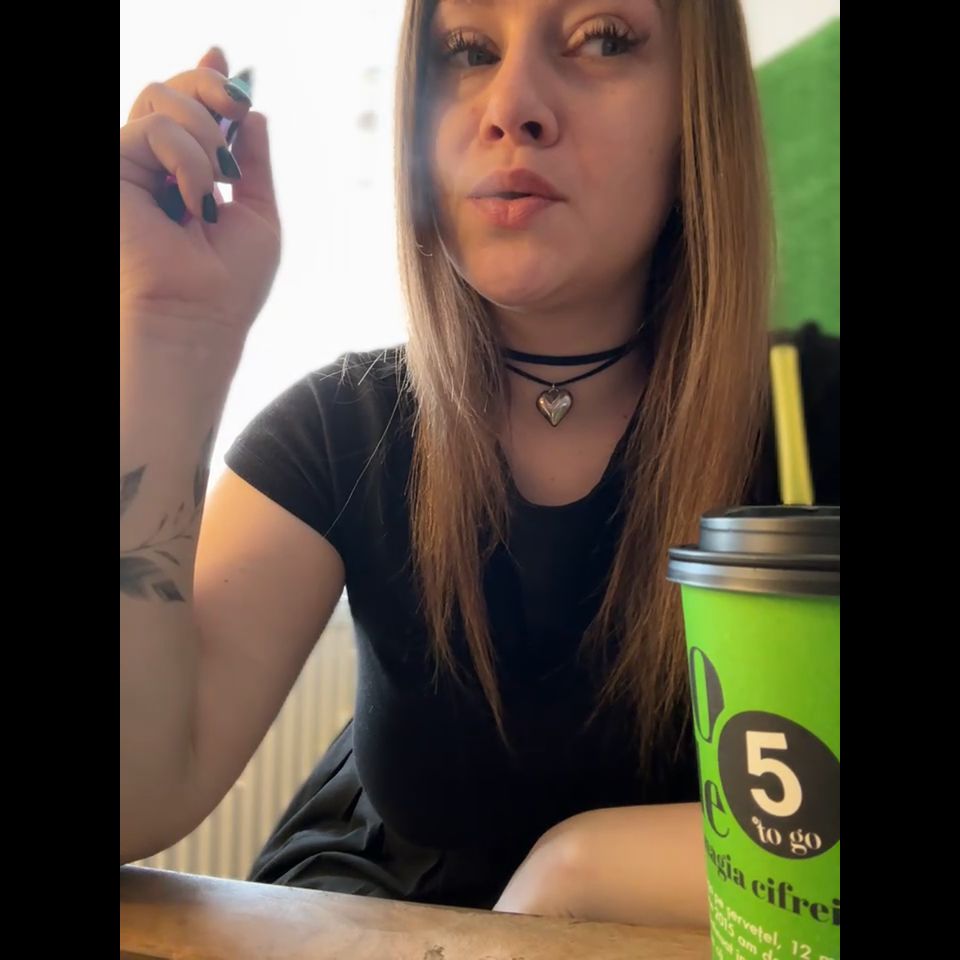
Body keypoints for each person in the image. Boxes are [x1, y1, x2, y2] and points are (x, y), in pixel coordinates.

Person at [120, 0, 839, 929]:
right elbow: (135, 797)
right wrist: (170, 333)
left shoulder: (811, 413)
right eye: (466, 51)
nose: (511, 106)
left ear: (698, 112)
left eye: (603, 39)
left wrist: (576, 873)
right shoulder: (342, 428)